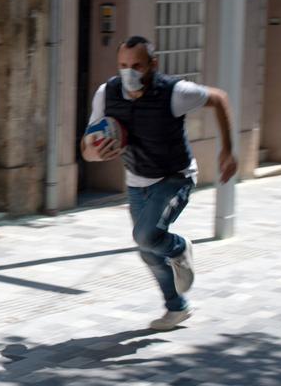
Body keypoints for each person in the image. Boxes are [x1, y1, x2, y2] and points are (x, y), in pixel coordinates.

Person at [82, 36, 238, 331]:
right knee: (147, 249)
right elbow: (87, 144)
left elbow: (219, 98)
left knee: (147, 236)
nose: (130, 72)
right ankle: (177, 308)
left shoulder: (175, 92)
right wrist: (94, 152)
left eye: (137, 65)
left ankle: (179, 248)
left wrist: (228, 150)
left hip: (174, 177)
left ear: (153, 64)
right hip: (137, 180)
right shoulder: (107, 93)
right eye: (123, 65)